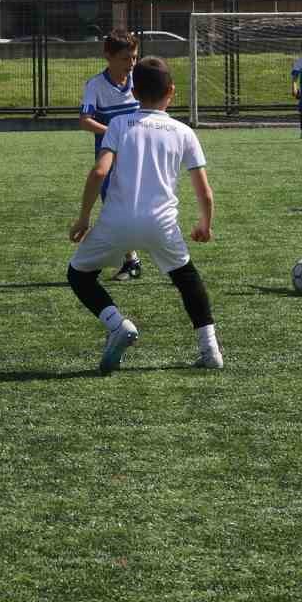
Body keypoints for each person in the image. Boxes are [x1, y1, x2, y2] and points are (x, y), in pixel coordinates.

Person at [67, 57, 222, 373]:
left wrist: (83, 217)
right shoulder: (183, 132)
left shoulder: (119, 125)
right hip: (160, 224)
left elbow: (99, 172)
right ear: (172, 92)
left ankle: (117, 323)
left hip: (116, 222)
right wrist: (205, 223)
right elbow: (204, 191)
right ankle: (211, 351)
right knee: (187, 279)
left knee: (79, 275)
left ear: (134, 92)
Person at [78, 29, 143, 281]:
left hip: (138, 156)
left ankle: (133, 259)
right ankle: (130, 259)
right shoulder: (95, 85)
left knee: (139, 207)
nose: (131, 64)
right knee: (116, 209)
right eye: (126, 59)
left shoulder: (138, 81)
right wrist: (115, 132)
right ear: (109, 56)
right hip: (109, 159)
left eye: (134, 58)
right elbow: (85, 121)